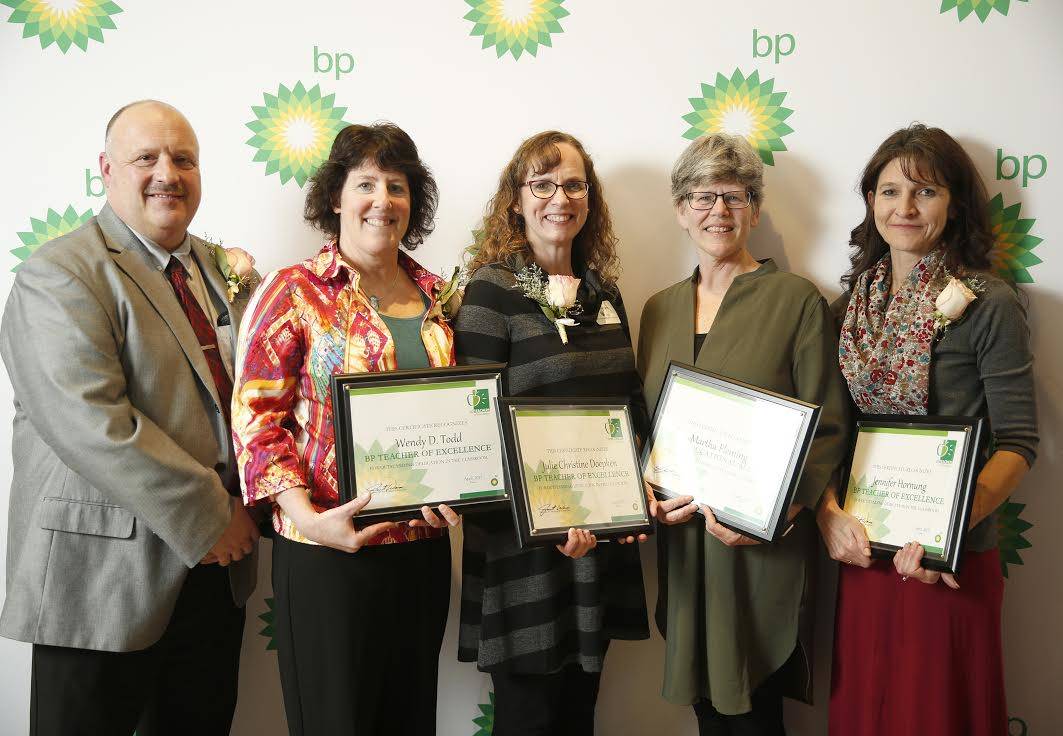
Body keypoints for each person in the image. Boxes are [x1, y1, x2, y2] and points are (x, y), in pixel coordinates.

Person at [0, 100, 259, 736]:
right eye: (146, 157)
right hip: (101, 583)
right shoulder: (59, 273)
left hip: (214, 575)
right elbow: (95, 425)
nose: (167, 172)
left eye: (184, 159)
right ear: (106, 169)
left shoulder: (219, 271)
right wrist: (214, 514)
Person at [232, 122, 461, 736]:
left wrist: (458, 488)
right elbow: (258, 418)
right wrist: (305, 517)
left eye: (397, 185)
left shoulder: (439, 297)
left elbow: (450, 421)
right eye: (366, 183)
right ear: (336, 197)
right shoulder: (293, 291)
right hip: (326, 552)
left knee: (409, 719)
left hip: (421, 553)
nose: (382, 200)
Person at [817, 124, 1038, 736]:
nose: (904, 208)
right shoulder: (847, 309)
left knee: (938, 714)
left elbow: (1019, 442)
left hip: (949, 559)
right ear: (870, 203)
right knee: (870, 711)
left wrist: (946, 528)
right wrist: (826, 514)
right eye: (889, 191)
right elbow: (835, 436)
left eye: (926, 192)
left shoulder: (988, 302)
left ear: (956, 203)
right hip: (866, 557)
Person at [636, 133, 849, 735]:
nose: (719, 212)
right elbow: (646, 428)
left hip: (759, 547)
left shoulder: (797, 300)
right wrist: (647, 494)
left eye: (734, 196)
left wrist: (786, 511)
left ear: (755, 209)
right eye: (702, 196)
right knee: (708, 714)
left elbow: (827, 423)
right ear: (680, 210)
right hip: (684, 546)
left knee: (756, 713)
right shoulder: (657, 310)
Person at [454, 131, 649, 735]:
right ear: (517, 200)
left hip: (598, 543)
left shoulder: (603, 292)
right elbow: (473, 431)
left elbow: (629, 406)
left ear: (590, 198)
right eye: (542, 185)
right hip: (526, 551)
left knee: (578, 715)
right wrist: (544, 517)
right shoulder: (492, 289)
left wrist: (637, 501)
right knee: (530, 718)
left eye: (572, 184)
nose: (558, 198)